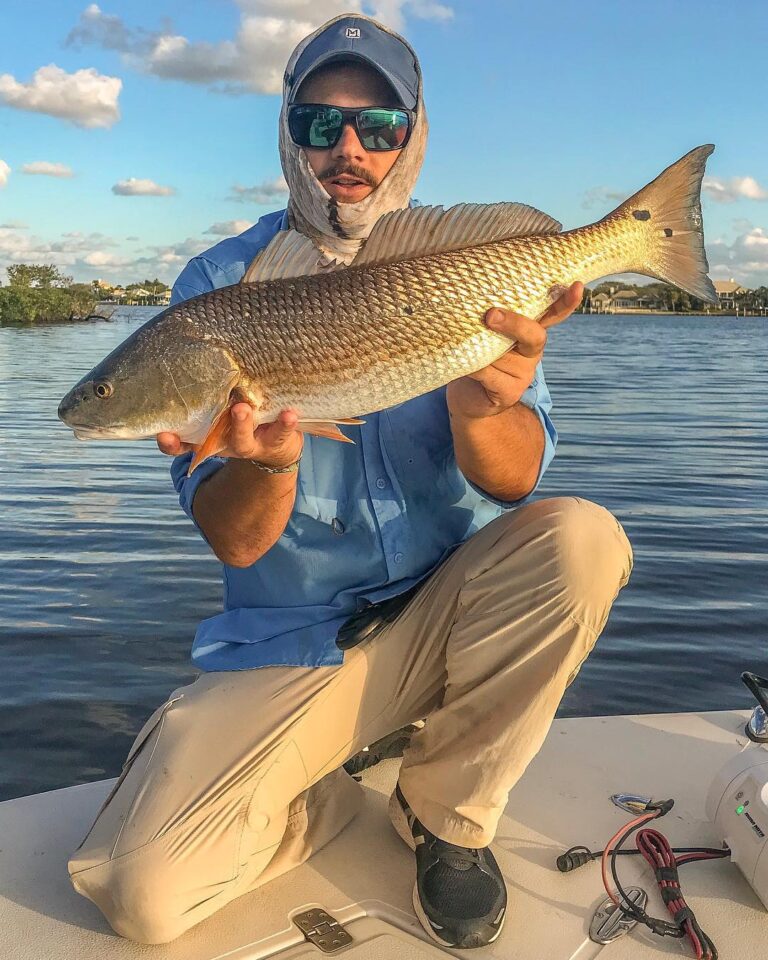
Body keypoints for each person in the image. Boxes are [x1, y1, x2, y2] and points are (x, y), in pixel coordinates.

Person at [67, 13, 633, 950]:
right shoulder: (216, 289)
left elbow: (519, 479)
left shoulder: (463, 270)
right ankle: (314, 792)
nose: (351, 148)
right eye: (321, 124)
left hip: (449, 616)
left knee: (583, 540)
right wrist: (269, 464)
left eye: (380, 124)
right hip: (299, 648)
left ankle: (443, 816)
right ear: (288, 133)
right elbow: (239, 540)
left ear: (414, 134)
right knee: (142, 897)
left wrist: (484, 407)